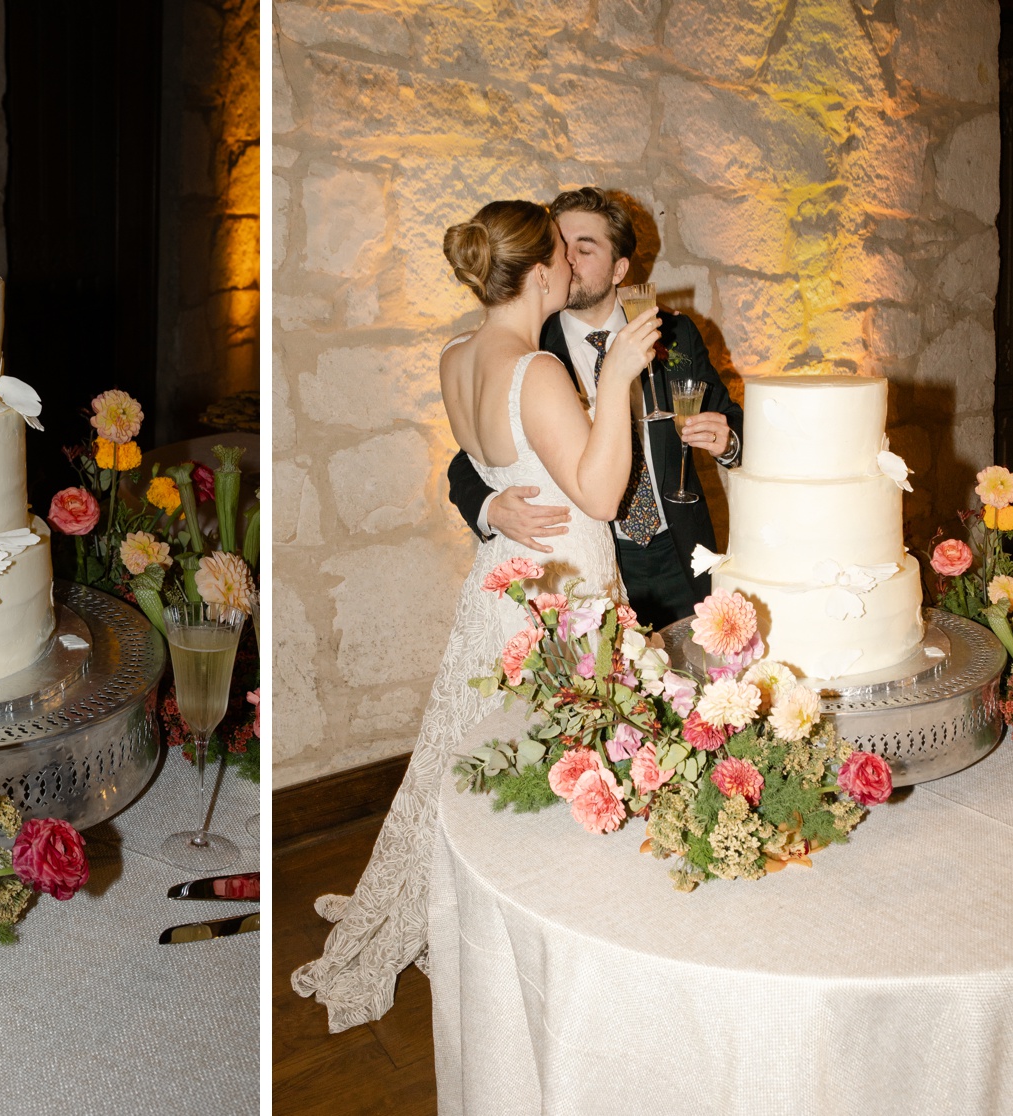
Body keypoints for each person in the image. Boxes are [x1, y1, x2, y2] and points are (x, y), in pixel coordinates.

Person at [290, 199, 661, 1032]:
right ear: (538, 274)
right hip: (561, 585)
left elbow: (493, 460)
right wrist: (618, 383)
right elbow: (600, 494)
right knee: (561, 754)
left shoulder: (459, 354)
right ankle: (544, 929)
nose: (572, 265)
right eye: (562, 255)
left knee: (489, 753)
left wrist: (494, 507)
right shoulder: (538, 371)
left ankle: (502, 907)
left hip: (502, 579)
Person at [446, 187, 744, 629]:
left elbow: (732, 416)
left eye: (583, 250)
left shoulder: (674, 333)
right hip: (594, 562)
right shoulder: (532, 351)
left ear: (620, 268)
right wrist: (490, 508)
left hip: (678, 549)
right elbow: (468, 461)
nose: (567, 261)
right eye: (560, 248)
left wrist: (728, 441)